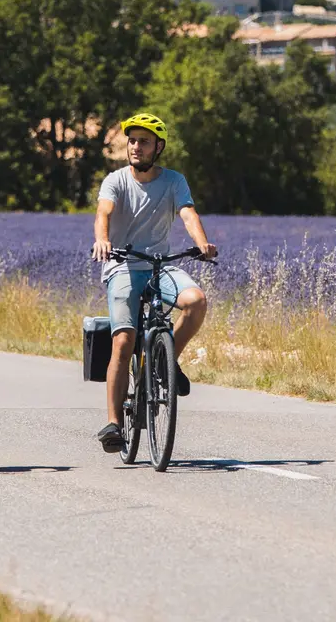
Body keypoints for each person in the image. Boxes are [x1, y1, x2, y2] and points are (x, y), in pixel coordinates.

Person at [89, 112, 217, 453]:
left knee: (196, 301)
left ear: (158, 147)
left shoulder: (174, 181)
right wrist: (102, 240)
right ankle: (115, 423)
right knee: (124, 340)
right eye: (132, 140)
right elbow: (103, 213)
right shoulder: (115, 181)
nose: (135, 146)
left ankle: (164, 357)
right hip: (123, 267)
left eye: (143, 141)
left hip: (160, 264)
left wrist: (202, 243)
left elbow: (188, 214)